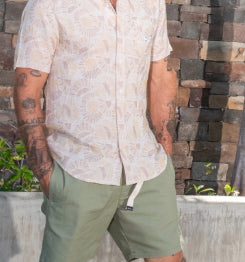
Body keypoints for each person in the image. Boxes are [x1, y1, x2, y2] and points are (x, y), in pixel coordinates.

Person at [12, 0, 183, 260]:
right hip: (77, 171)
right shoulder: (48, 5)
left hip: (146, 169)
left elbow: (161, 74)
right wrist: (46, 174)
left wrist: (165, 150)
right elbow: (27, 90)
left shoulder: (150, 3)